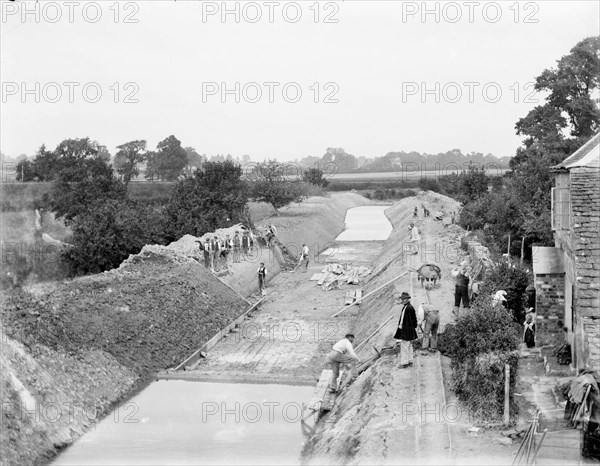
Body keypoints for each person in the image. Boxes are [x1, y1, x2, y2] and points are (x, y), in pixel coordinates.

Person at [393, 292, 418, 368]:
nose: (403, 300)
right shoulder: (406, 307)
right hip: (407, 329)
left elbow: (412, 320)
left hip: (407, 330)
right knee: (409, 346)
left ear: (407, 299)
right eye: (402, 299)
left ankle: (404, 362)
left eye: (404, 299)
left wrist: (408, 329)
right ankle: (410, 360)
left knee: (404, 346)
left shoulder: (409, 308)